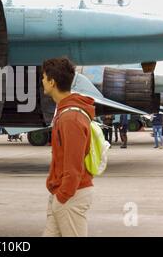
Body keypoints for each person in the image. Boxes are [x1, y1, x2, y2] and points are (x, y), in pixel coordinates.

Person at [41, 58, 95, 237]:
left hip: (71, 196)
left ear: (52, 82)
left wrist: (63, 196)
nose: (41, 81)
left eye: (43, 77)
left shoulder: (70, 118)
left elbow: (74, 166)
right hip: (62, 194)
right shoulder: (65, 112)